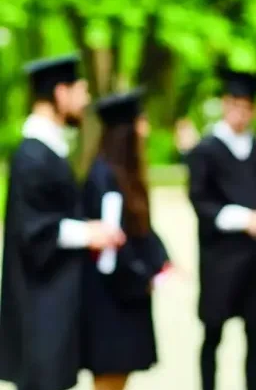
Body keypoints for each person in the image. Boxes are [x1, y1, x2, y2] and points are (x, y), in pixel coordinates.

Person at [0, 54, 126, 390]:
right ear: (60, 93)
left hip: (53, 301)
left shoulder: (48, 150)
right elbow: (33, 229)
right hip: (39, 305)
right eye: (80, 92)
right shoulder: (32, 156)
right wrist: (89, 232)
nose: (85, 102)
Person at [186, 67, 256, 390]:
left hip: (254, 258)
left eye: (246, 106)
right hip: (219, 256)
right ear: (224, 105)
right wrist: (246, 220)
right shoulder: (206, 150)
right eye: (233, 104)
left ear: (253, 110)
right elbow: (201, 202)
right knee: (212, 332)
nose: (239, 113)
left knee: (254, 333)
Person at [80, 89, 172, 390]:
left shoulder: (123, 174)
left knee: (121, 378)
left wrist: (161, 262)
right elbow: (112, 243)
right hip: (111, 300)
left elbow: (139, 230)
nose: (145, 130)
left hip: (126, 296)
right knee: (110, 378)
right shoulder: (104, 176)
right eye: (139, 122)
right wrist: (141, 275)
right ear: (125, 130)